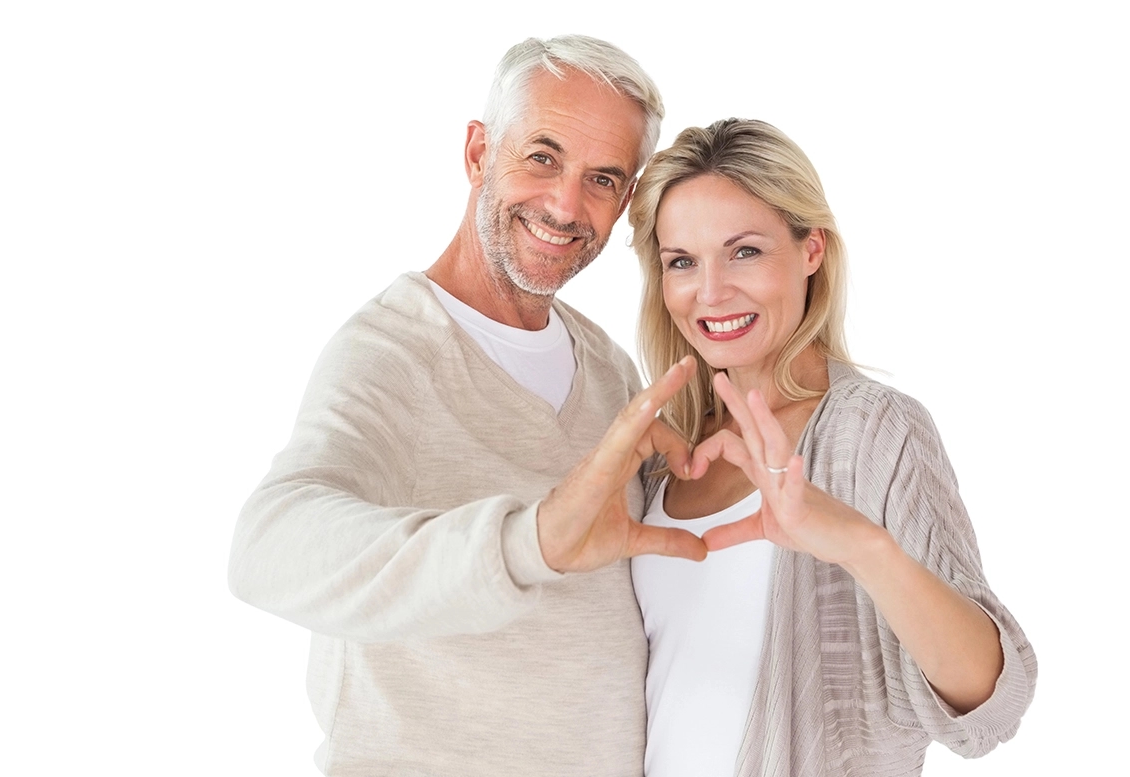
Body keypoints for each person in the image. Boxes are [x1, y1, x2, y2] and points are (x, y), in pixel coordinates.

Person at [227, 36, 709, 776]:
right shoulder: (392, 353)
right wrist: (529, 542)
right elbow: (268, 547)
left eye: (603, 179)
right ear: (479, 151)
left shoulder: (611, 369)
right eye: (541, 157)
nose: (564, 204)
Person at [627, 119, 1037, 777]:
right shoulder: (659, 457)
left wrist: (859, 544)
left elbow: (993, 705)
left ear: (811, 248)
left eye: (745, 251)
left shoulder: (873, 432)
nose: (709, 292)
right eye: (682, 261)